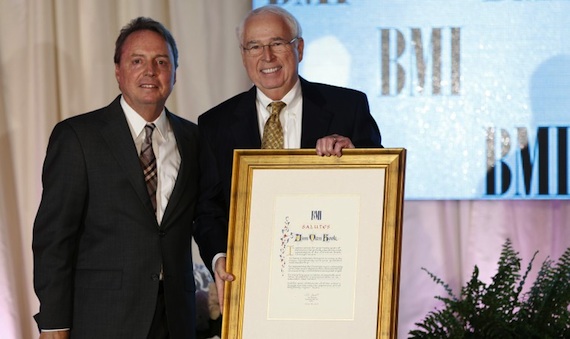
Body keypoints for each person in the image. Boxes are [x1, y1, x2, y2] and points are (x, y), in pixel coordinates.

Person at [32, 17, 228, 339]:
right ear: (118, 71)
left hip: (177, 319)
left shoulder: (193, 138)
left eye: (161, 61)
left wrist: (219, 257)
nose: (150, 71)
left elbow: (206, 213)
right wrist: (54, 322)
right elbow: (54, 238)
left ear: (174, 72)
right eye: (137, 61)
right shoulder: (78, 137)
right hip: (103, 319)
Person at [194, 4, 383, 332]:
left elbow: (382, 186)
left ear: (299, 48)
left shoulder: (347, 108)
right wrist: (220, 257)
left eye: (277, 43)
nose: (266, 56)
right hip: (254, 290)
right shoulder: (215, 124)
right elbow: (208, 210)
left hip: (332, 285)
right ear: (243, 55)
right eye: (254, 46)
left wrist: (355, 158)